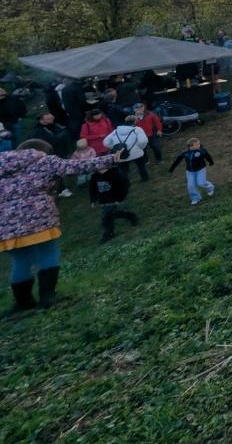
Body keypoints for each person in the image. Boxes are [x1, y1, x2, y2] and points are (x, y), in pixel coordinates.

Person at [2, 139, 117, 314]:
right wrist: (112, 159)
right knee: (48, 253)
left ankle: (23, 303)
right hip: (38, 217)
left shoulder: (3, 164)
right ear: (43, 150)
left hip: (6, 223)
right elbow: (76, 167)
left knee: (20, 260)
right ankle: (47, 297)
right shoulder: (45, 161)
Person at [89, 159, 138, 243]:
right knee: (110, 216)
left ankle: (109, 232)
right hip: (104, 200)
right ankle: (110, 232)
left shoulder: (115, 174)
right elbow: (92, 188)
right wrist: (93, 200)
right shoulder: (95, 176)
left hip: (115, 199)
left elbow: (123, 187)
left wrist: (119, 199)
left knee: (110, 215)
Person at [169, 138, 215, 206]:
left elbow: (208, 156)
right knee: (191, 186)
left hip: (200, 170)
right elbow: (177, 160)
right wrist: (172, 168)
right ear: (191, 146)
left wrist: (211, 162)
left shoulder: (201, 151)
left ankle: (210, 188)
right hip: (190, 172)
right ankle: (196, 198)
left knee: (201, 183)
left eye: (199, 144)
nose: (199, 145)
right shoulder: (185, 153)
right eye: (196, 144)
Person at [104, 116, 150, 182]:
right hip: (136, 153)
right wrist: (141, 147)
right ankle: (145, 178)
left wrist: (115, 147)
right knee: (141, 166)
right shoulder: (137, 129)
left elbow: (105, 142)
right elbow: (143, 141)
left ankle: (125, 182)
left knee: (123, 170)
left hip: (121, 154)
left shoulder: (115, 131)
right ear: (135, 121)